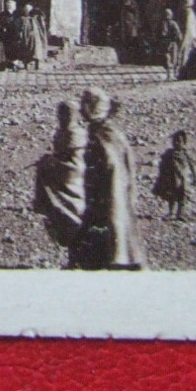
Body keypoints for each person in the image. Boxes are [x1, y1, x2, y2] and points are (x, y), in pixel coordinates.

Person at [70, 87, 145, 270]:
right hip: (117, 193)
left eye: (84, 105)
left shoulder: (100, 136)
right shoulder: (112, 133)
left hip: (107, 195)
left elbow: (106, 167)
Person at [32, 101, 88, 251]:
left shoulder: (76, 134)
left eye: (66, 114)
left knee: (74, 213)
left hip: (72, 181)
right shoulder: (63, 132)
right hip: (63, 180)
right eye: (61, 114)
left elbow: (72, 162)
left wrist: (51, 162)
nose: (62, 118)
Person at [153, 129, 196, 220]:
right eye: (175, 141)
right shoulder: (168, 154)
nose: (177, 143)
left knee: (183, 196)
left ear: (184, 142)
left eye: (179, 141)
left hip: (183, 179)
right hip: (172, 178)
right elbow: (162, 166)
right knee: (172, 196)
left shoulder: (185, 155)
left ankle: (181, 213)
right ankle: (171, 213)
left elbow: (191, 166)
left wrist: (194, 178)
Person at [174, 0, 196, 79]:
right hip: (188, 36)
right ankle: (182, 73)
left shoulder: (186, 12)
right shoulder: (187, 12)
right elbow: (187, 26)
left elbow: (187, 26)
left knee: (184, 54)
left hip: (188, 36)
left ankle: (182, 73)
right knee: (184, 54)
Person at [0, 0, 22, 70]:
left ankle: (13, 64)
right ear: (11, 7)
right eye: (14, 5)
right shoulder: (3, 15)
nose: (15, 7)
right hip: (7, 37)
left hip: (14, 37)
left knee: (15, 50)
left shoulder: (15, 15)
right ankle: (8, 64)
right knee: (8, 50)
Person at [23, 3, 50, 70]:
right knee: (30, 50)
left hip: (35, 37)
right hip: (31, 37)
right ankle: (27, 65)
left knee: (36, 51)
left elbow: (41, 29)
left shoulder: (36, 19)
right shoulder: (26, 20)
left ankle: (36, 65)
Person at [159, 8, 181, 82]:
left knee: (172, 59)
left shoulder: (171, 23)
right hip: (168, 43)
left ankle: (173, 75)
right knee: (169, 59)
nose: (167, 16)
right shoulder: (165, 23)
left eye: (168, 15)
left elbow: (178, 34)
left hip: (171, 43)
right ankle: (170, 75)